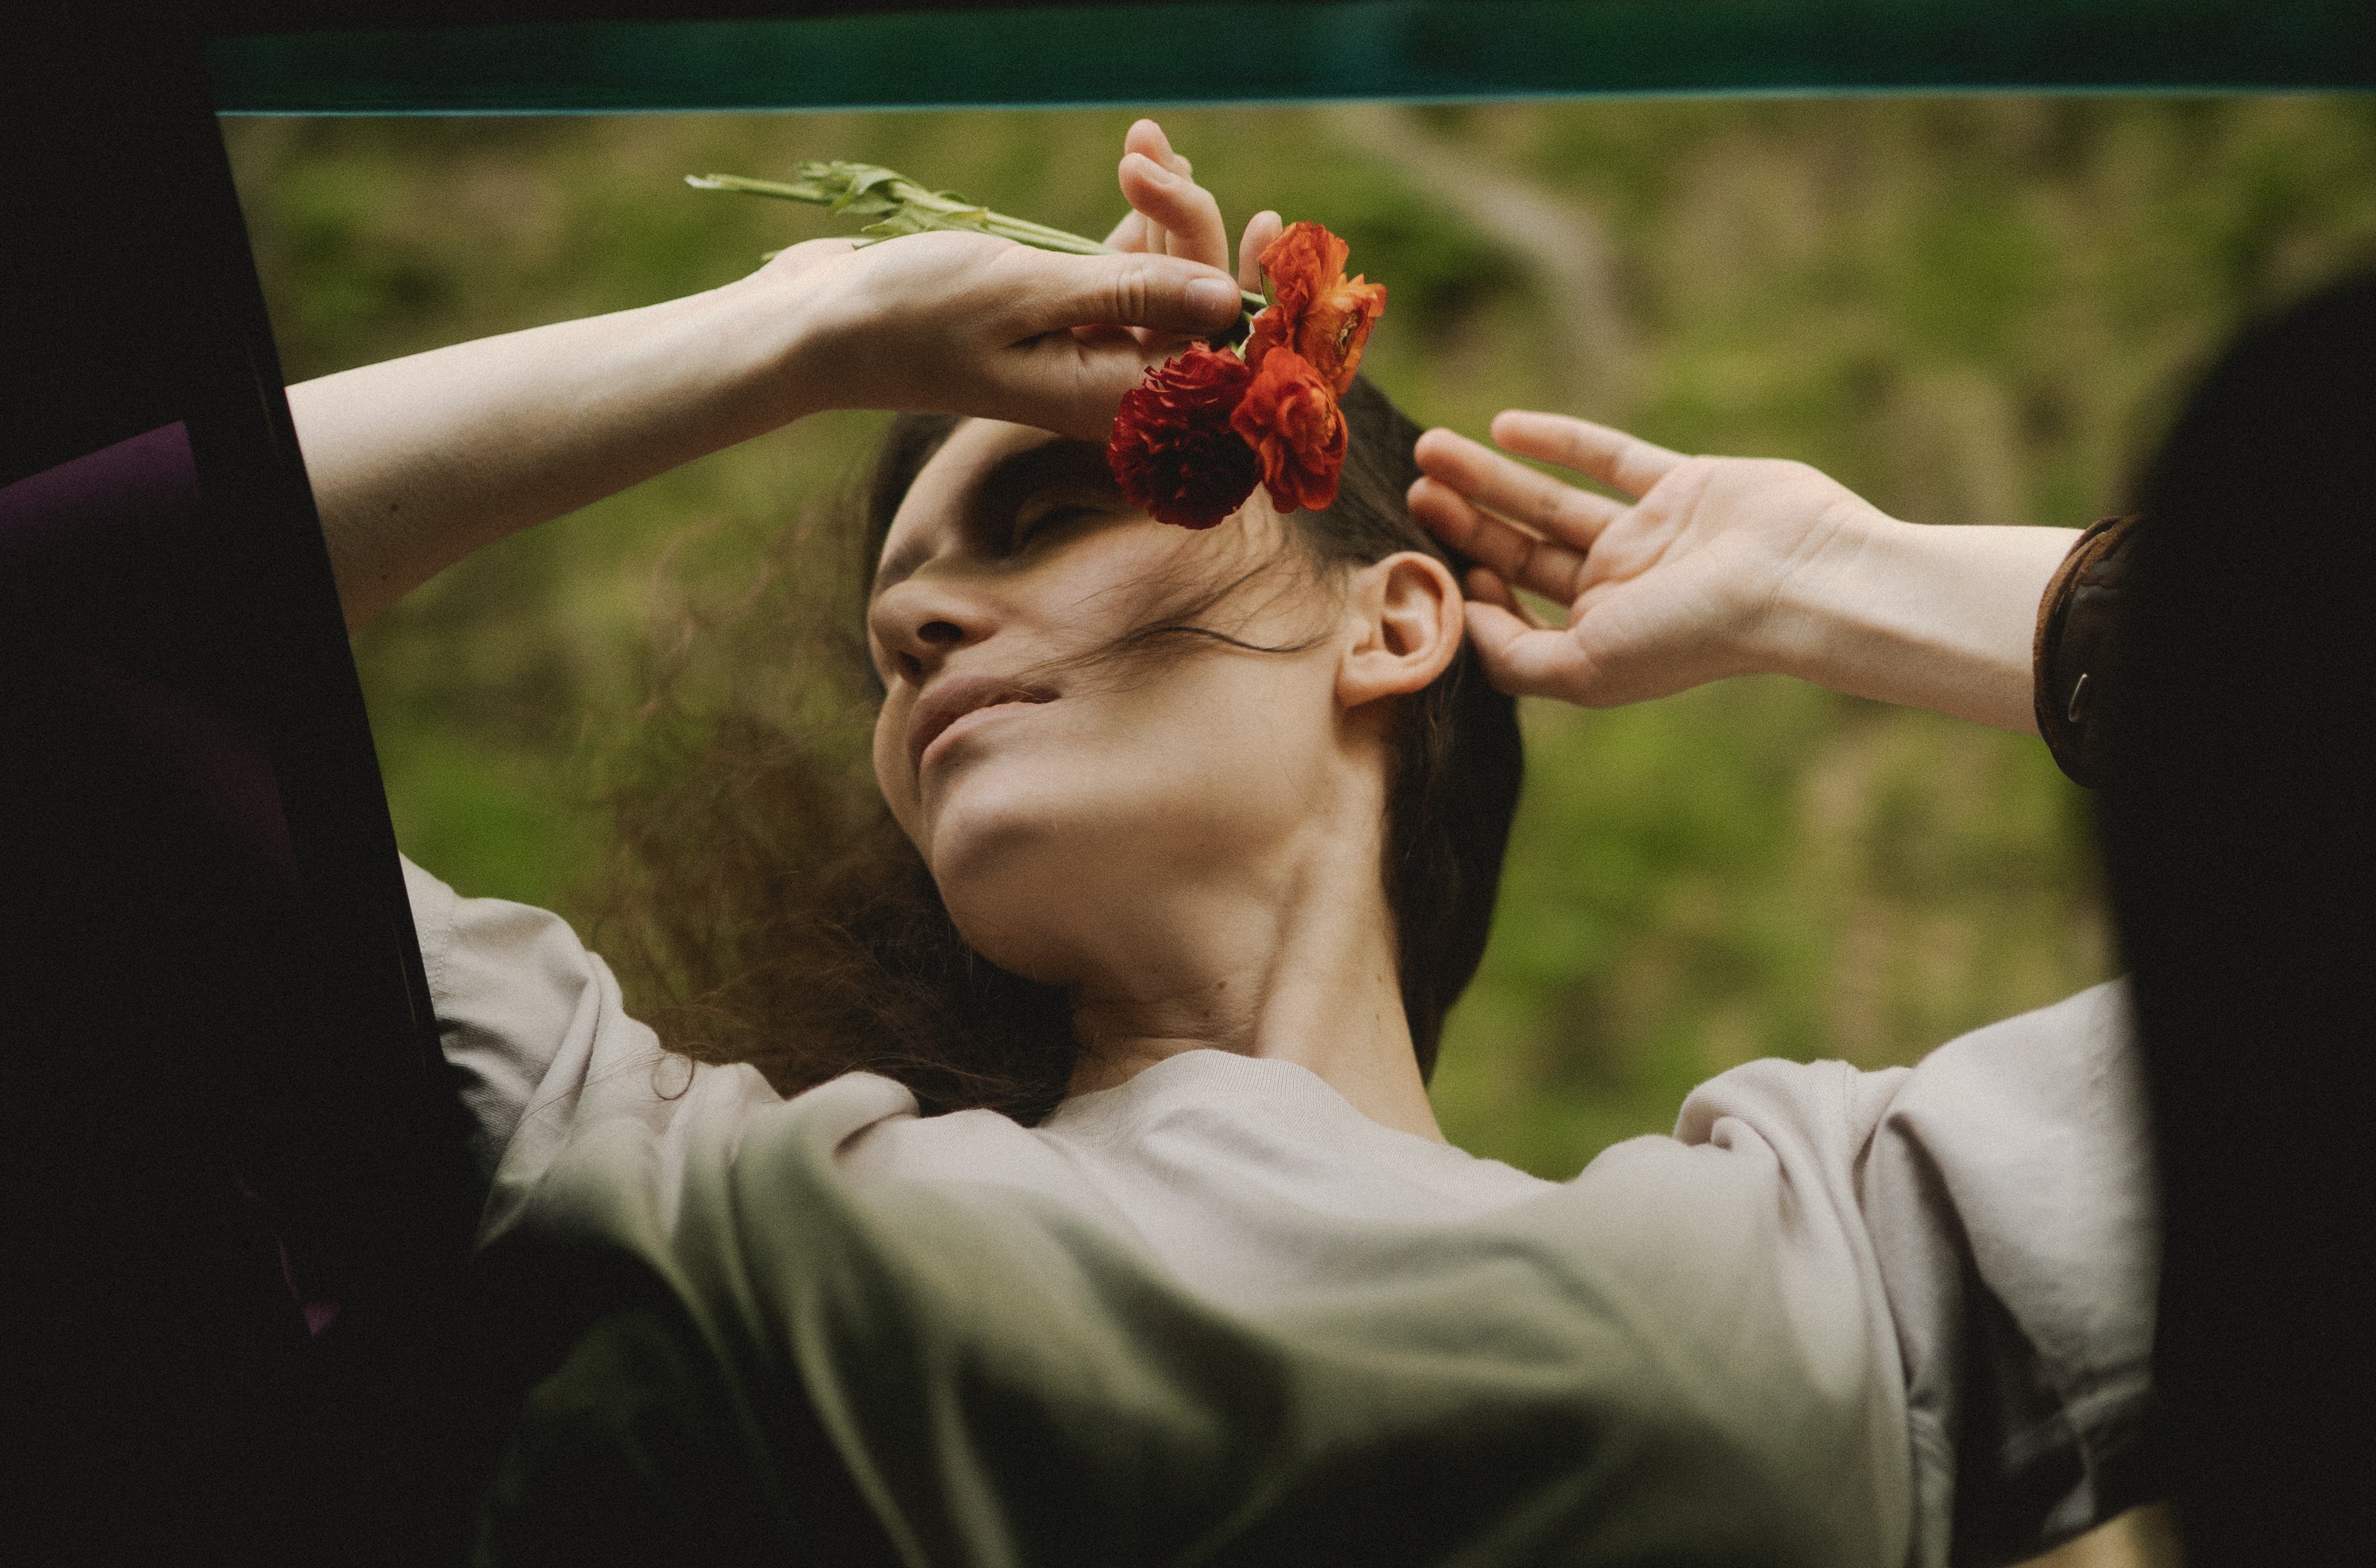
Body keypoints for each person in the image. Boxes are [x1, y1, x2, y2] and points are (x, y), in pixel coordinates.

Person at [288, 121, 2156, 1566]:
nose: (914, 630)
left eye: (1041, 510)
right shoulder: (680, 1205)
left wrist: (1857, 584)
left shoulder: (1831, 1268)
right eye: (891, 621)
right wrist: (798, 326)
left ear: (1396, 621)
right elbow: (95, 619)